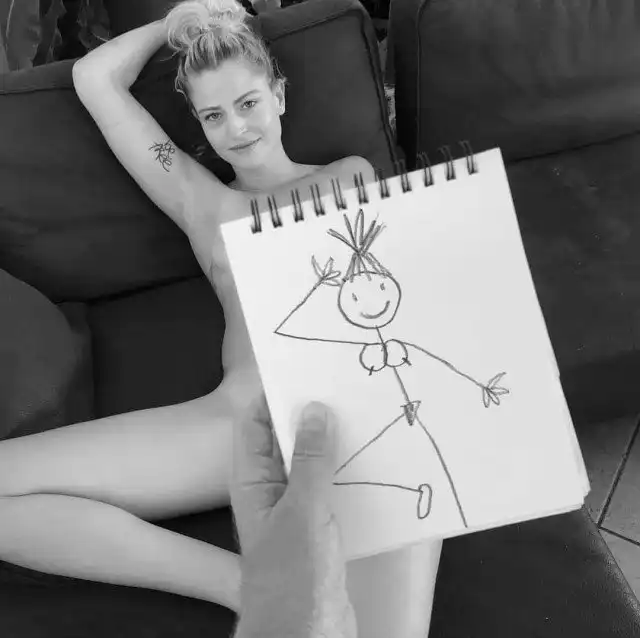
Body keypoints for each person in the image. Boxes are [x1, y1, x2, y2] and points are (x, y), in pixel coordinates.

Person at [0, 0, 442, 634]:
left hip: (363, 418)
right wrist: (181, 18)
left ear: (278, 95)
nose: (236, 127)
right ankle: (242, 583)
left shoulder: (351, 177)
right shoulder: (203, 202)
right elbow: (94, 79)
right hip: (242, 420)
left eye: (248, 103)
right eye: (213, 115)